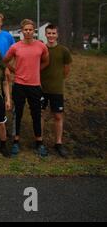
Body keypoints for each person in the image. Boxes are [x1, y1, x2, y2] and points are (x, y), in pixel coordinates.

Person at [3, 19, 50, 157]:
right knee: (18, 113)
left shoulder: (41, 46)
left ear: (34, 31)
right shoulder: (16, 47)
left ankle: (39, 143)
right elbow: (5, 61)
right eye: (25, 29)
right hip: (19, 85)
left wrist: (37, 70)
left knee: (36, 114)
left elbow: (46, 61)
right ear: (22, 31)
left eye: (30, 29)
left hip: (35, 86)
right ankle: (16, 141)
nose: (28, 32)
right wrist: (14, 70)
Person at [40, 24, 72, 158]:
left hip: (56, 89)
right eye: (49, 33)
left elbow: (66, 70)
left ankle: (58, 143)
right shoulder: (41, 49)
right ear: (45, 34)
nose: (51, 36)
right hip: (41, 88)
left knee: (58, 116)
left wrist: (57, 80)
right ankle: (39, 141)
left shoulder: (64, 50)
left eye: (54, 33)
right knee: (39, 115)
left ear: (57, 35)